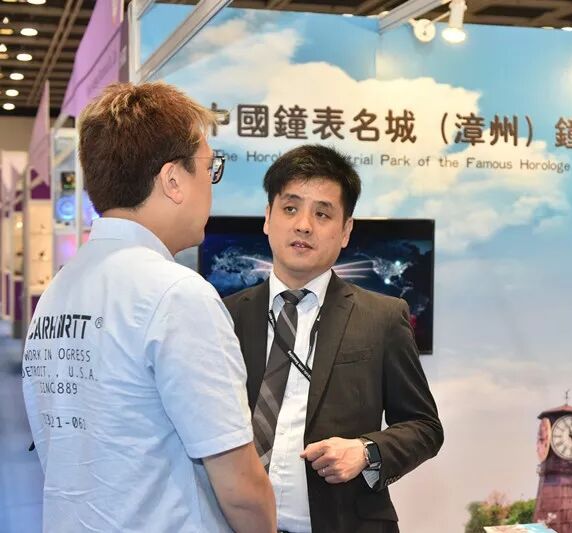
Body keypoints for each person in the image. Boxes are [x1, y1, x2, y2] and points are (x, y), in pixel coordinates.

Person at [21, 82, 277, 533]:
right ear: (173, 180)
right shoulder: (177, 295)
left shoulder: (60, 290)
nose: (211, 185)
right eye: (210, 168)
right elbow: (240, 487)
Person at [224, 144, 444, 533]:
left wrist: (366, 451)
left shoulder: (382, 317)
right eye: (290, 208)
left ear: (345, 231)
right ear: (268, 218)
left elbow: (424, 426)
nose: (303, 225)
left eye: (322, 213)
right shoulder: (224, 315)